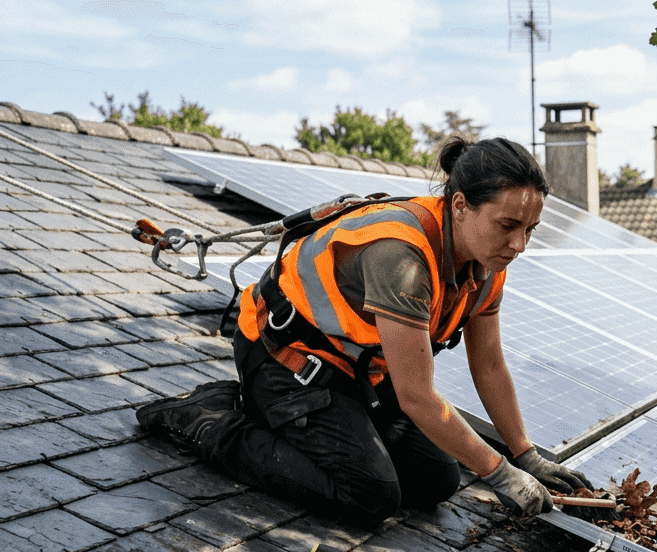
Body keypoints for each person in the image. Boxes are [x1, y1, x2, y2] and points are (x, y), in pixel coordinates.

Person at [136, 136, 591, 526]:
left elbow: (489, 364)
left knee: (437, 480)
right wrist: (501, 474)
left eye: (530, 230)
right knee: (369, 495)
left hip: (355, 375)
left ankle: (314, 425)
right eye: (507, 225)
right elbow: (416, 396)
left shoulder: (487, 262)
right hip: (282, 359)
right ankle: (212, 418)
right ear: (459, 205)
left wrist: (524, 453)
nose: (518, 245)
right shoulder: (401, 257)